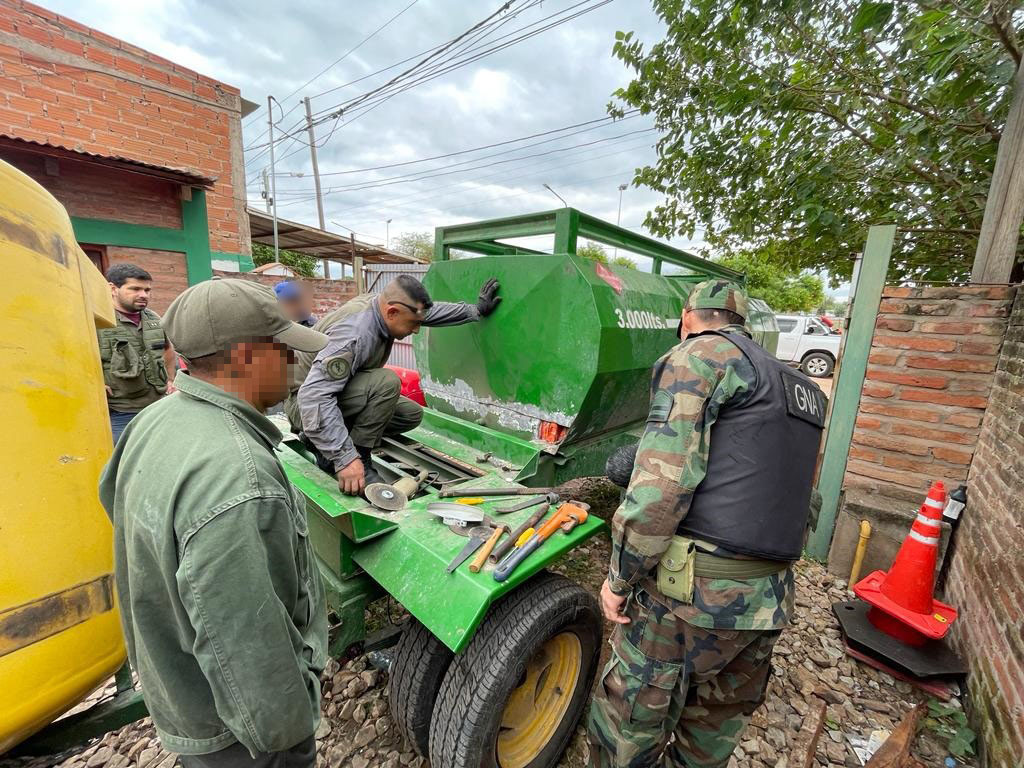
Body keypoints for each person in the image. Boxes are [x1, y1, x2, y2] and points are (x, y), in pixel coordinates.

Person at [588, 279, 827, 768]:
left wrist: (619, 578)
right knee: (709, 736)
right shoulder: (799, 387)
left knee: (627, 726)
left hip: (688, 600)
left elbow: (661, 488)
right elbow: (805, 498)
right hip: (768, 600)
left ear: (687, 315)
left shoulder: (698, 356)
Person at [99, 278, 329, 768]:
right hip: (243, 737)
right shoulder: (238, 474)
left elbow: (111, 498)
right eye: (284, 350)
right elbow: (246, 641)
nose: (294, 364)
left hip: (187, 697)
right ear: (247, 357)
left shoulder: (155, 418)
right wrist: (288, 734)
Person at [286, 274, 501, 496]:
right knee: (386, 383)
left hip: (336, 394)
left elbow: (426, 313)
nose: (417, 330)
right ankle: (356, 456)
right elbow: (313, 397)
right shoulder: (354, 335)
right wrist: (345, 459)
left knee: (410, 414)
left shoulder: (384, 306)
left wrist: (474, 311)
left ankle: (321, 440)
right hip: (304, 406)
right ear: (392, 313)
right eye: (414, 325)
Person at [98, 263, 178, 442]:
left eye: (147, 290)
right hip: (120, 412)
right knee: (124, 463)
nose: (143, 295)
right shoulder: (98, 320)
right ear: (113, 288)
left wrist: (170, 379)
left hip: (158, 405)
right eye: (135, 289)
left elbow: (167, 349)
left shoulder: (154, 319)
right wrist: (92, 384)